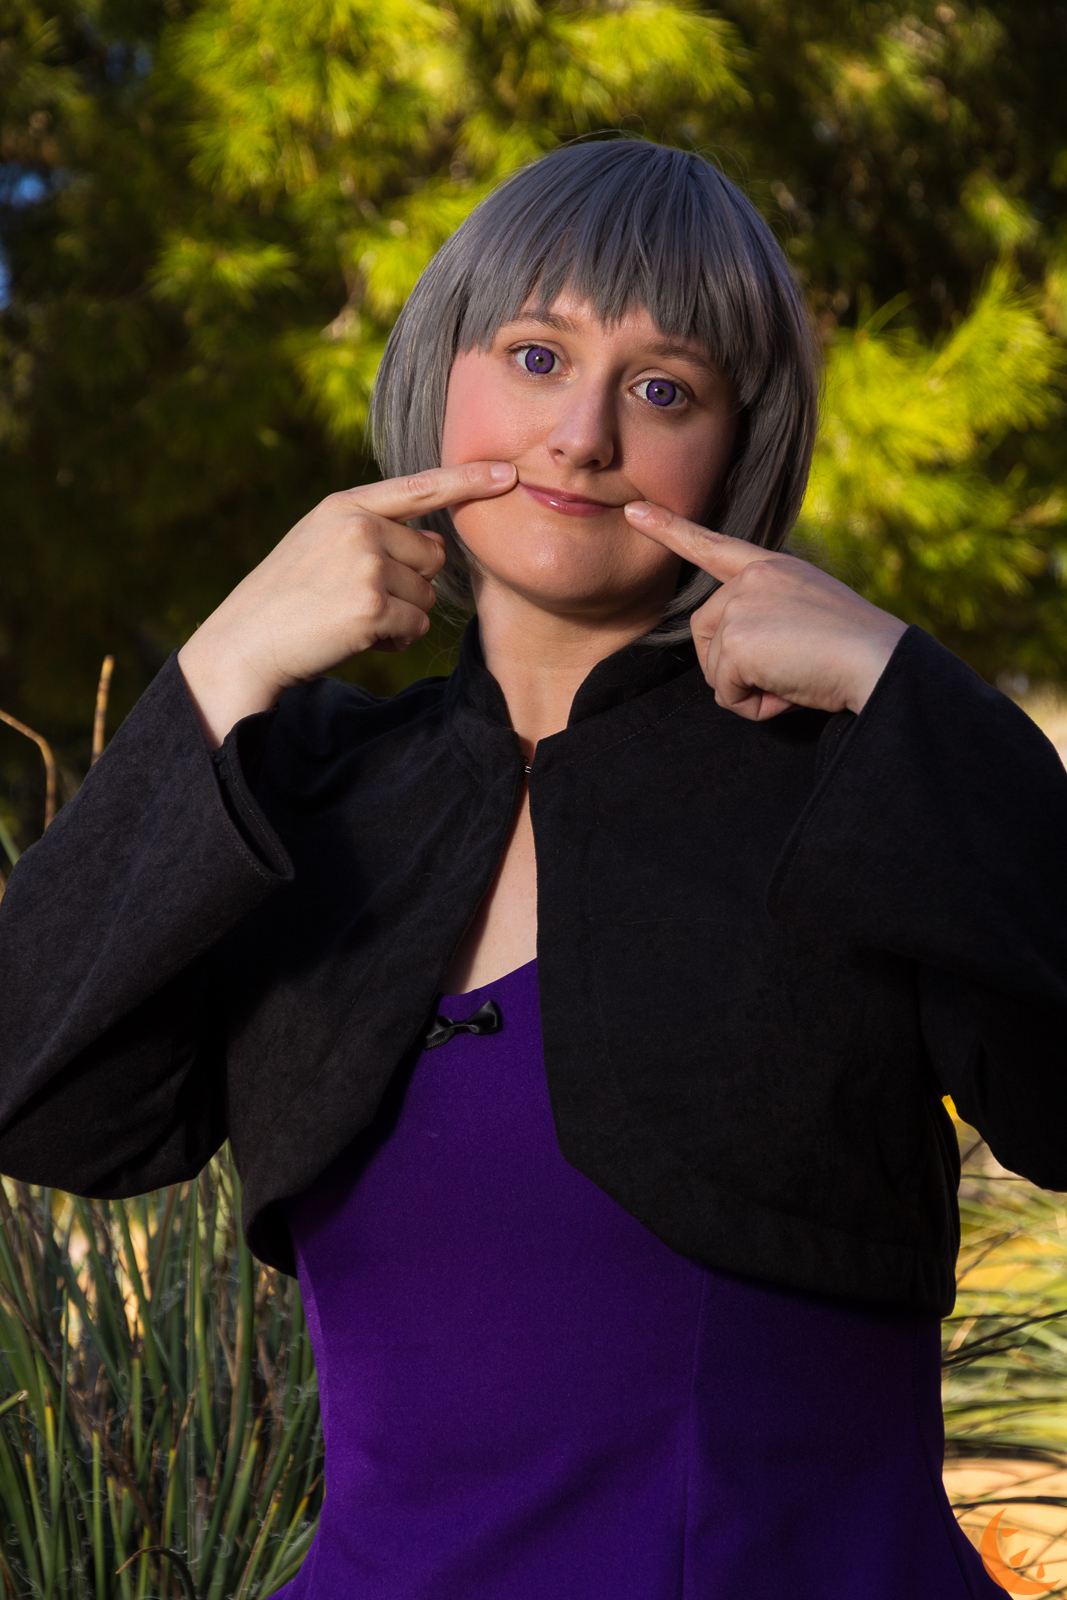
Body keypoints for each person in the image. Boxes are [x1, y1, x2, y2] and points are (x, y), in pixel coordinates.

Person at [0, 138, 1064, 1599]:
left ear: (738, 446)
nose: (581, 437)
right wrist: (224, 662)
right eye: (537, 354)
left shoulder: (856, 777)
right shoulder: (310, 788)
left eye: (663, 388)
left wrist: (901, 686)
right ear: (441, 371)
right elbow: (44, 1100)